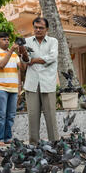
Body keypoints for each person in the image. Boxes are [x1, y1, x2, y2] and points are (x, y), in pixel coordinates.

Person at [22, 17, 59, 145]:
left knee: (51, 117)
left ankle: (55, 144)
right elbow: (25, 61)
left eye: (41, 28)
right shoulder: (26, 41)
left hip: (48, 83)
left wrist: (34, 60)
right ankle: (33, 145)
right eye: (36, 27)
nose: (38, 30)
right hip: (31, 83)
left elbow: (52, 57)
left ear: (46, 29)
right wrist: (23, 52)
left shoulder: (53, 41)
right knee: (32, 116)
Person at [0, 32, 24, 146]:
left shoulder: (14, 55)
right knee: (1, 114)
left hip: (14, 88)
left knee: (11, 115)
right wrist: (11, 51)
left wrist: (23, 53)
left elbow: (23, 68)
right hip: (0, 87)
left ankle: (7, 137)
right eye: (4, 39)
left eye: (8, 39)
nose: (7, 42)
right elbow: (1, 65)